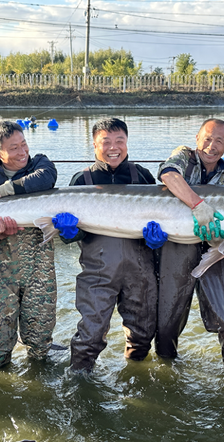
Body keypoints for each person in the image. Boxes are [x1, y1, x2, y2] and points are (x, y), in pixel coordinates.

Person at [53, 117, 160, 372]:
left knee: (143, 335)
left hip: (140, 270)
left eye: (119, 141)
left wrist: (156, 238)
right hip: (97, 271)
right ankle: (78, 380)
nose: (114, 147)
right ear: (94, 145)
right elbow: (70, 237)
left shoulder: (142, 176)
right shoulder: (82, 180)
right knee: (90, 335)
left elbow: (161, 218)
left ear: (127, 142)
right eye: (106, 142)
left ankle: (134, 377)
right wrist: (68, 231)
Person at [156, 118, 224, 372]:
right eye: (207, 138)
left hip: (213, 249)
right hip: (176, 246)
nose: (211, 145)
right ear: (197, 139)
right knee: (166, 325)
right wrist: (198, 205)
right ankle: (166, 372)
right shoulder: (183, 155)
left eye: (219, 140)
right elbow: (168, 174)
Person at [0, 121, 58, 368]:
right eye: (14, 148)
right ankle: (0, 385)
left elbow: (45, 179)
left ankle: (39, 383)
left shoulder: (39, 163)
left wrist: (2, 191)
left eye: (24, 144)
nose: (23, 152)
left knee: (40, 334)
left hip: (39, 267)